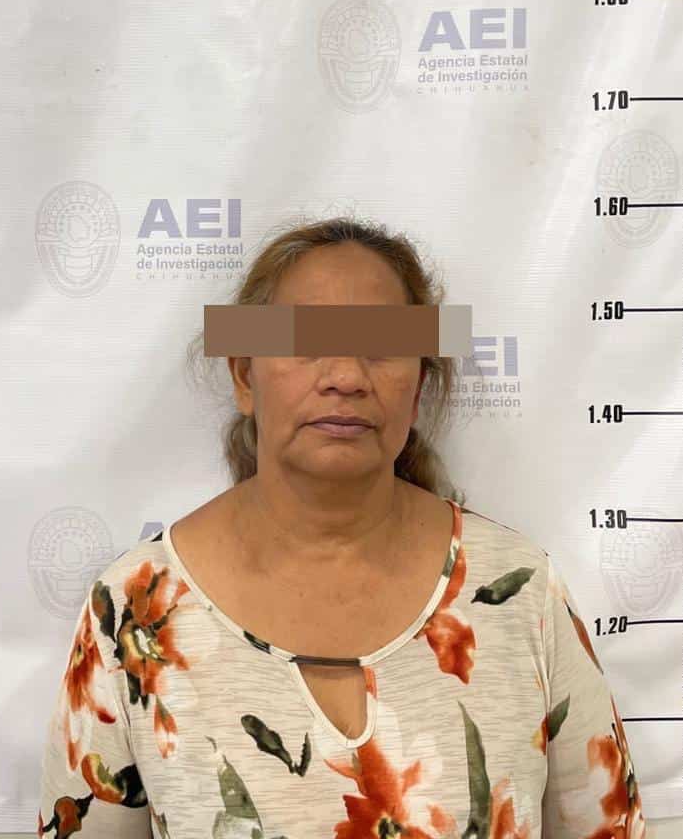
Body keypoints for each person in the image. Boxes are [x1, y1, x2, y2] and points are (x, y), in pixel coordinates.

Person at [36, 216, 646, 838]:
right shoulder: (131, 610)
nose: (347, 377)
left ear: (418, 388)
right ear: (244, 375)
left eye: (381, 346)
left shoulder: (520, 594)